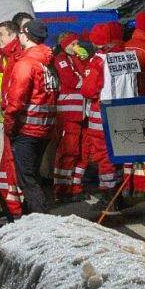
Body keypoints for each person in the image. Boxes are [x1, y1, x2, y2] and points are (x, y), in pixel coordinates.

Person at [81, 22, 143, 201]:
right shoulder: (130, 57)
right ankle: (124, 189)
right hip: (127, 114)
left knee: (105, 156)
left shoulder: (100, 61)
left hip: (104, 116)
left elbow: (88, 90)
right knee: (123, 154)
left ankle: (110, 196)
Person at [2, 19, 59, 213]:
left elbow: (16, 101)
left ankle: (42, 221)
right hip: (45, 129)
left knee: (26, 179)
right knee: (31, 175)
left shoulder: (26, 64)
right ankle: (30, 216)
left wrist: (9, 126)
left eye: (20, 34)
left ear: (25, 36)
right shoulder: (48, 63)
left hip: (27, 130)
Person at [51, 31, 89, 199]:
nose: (76, 47)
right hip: (68, 113)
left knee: (82, 151)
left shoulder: (75, 59)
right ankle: (62, 189)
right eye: (73, 44)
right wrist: (87, 82)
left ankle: (76, 187)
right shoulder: (60, 60)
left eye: (77, 43)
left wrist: (84, 60)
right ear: (65, 44)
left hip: (80, 112)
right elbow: (71, 81)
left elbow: (86, 74)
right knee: (68, 150)